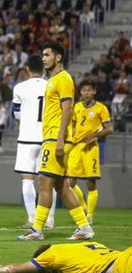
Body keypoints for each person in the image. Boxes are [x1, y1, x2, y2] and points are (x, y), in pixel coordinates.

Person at [18, 42, 94, 241]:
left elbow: (67, 109)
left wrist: (60, 139)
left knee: (44, 181)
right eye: (42, 55)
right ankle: (84, 227)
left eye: (47, 54)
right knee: (61, 186)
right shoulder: (52, 79)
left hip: (55, 137)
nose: (43, 58)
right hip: (51, 136)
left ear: (58, 57)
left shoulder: (63, 78)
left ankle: (37, 229)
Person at [12, 55, 56, 229]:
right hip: (47, 138)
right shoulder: (50, 86)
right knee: (48, 181)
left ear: (27, 69)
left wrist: (26, 123)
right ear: (44, 69)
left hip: (26, 138)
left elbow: (16, 115)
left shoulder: (19, 88)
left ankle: (32, 218)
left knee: (27, 179)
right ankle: (50, 219)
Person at [67, 80, 113, 226]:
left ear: (94, 92)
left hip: (90, 148)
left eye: (89, 90)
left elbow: (109, 129)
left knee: (90, 182)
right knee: (70, 183)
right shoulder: (77, 107)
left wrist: (95, 135)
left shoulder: (101, 108)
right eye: (84, 90)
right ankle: (83, 207)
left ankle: (90, 216)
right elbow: (73, 125)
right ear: (80, 92)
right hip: (75, 147)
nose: (86, 93)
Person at [0, 241, 132, 273]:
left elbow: (15, 269)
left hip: (124, 266)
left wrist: (3, 268)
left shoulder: (51, 254)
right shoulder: (89, 244)